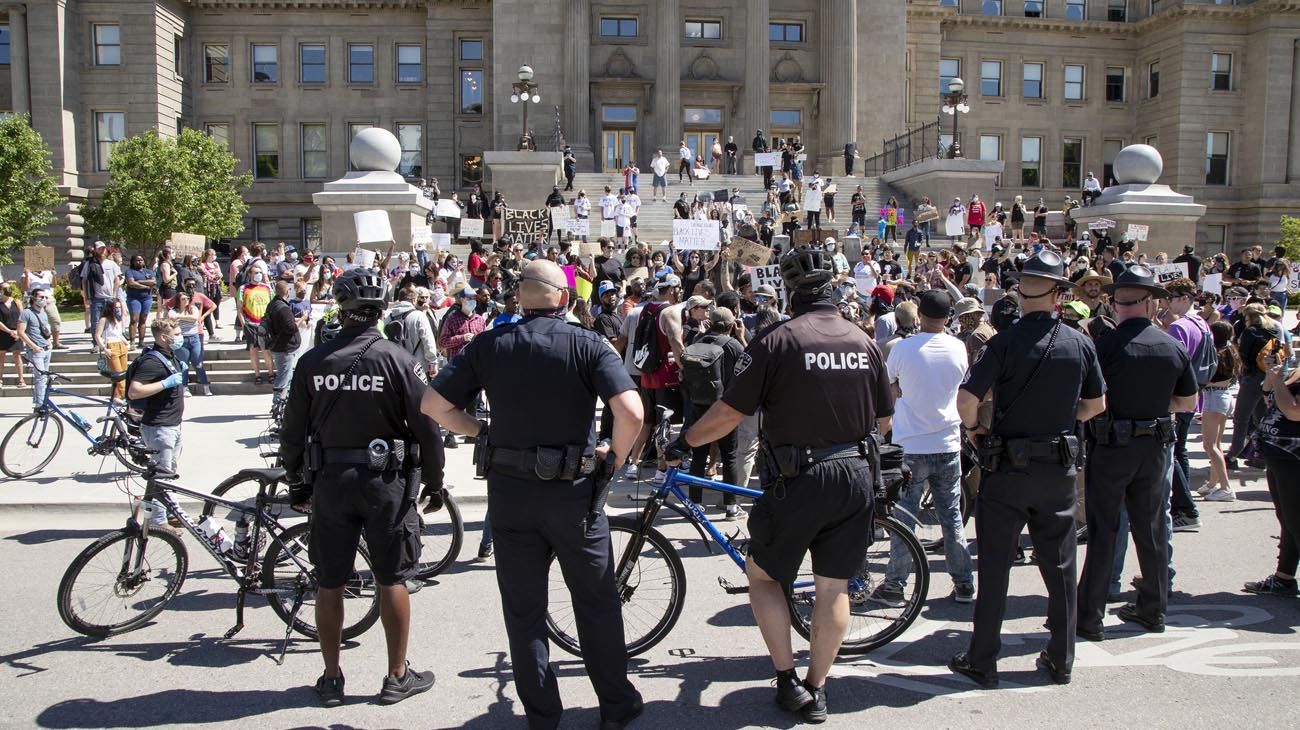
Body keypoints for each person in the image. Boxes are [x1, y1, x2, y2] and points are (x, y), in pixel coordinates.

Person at [666, 246, 893, 723]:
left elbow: (729, 414)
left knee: (765, 577)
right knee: (834, 588)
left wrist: (685, 442)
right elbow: (884, 418)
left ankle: (789, 681)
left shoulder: (777, 340)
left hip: (799, 474)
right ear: (833, 287)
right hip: (854, 472)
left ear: (791, 292)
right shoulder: (863, 339)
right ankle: (819, 687)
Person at [422, 259, 645, 729]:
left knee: (524, 612)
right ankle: (616, 707)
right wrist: (615, 457)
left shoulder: (490, 343)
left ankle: (543, 716)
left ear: (520, 297)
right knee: (596, 603)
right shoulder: (587, 343)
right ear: (563, 298)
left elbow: (433, 404)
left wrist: (478, 429)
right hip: (574, 493)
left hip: (512, 496)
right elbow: (632, 412)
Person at [279, 268, 444, 707]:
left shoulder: (313, 362)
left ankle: (332, 677)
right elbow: (427, 426)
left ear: (341, 309)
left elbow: (292, 431)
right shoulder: (397, 358)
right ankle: (396, 676)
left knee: (330, 583)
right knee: (392, 579)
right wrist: (435, 481)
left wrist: (296, 481)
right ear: (379, 311)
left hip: (331, 482)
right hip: (385, 484)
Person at [949, 251, 1107, 689]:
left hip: (1007, 466)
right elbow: (1095, 406)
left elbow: (965, 402)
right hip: (1057, 464)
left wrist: (977, 431)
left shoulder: (1002, 342)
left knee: (996, 566)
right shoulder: (1080, 342)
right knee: (1059, 566)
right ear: (1060, 294)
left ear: (1021, 292)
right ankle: (1061, 659)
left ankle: (983, 659)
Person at [1077, 266, 1198, 644]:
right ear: (1150, 304)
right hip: (1155, 446)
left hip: (1112, 446)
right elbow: (1187, 401)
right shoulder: (1171, 345)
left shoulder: (1105, 347)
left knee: (1104, 531)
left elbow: (1091, 402)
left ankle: (1091, 616)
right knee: (1152, 531)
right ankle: (1153, 608)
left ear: (1116, 303)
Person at [883, 290, 976, 604]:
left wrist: (903, 389)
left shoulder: (904, 348)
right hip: (948, 441)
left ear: (919, 314)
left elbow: (889, 385)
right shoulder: (958, 347)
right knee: (950, 517)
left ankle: (895, 585)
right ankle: (964, 583)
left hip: (910, 443)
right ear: (948, 317)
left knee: (903, 518)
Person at [679, 307, 747, 520]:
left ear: (710, 323)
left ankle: (695, 504)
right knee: (729, 456)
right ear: (730, 325)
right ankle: (731, 507)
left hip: (699, 406)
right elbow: (746, 372)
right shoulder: (734, 345)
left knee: (699, 455)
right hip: (725, 409)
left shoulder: (697, 341)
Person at [1243, 345, 1300, 596]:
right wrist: (1272, 373)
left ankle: (1285, 578)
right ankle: (1284, 577)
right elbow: (1268, 395)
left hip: (1294, 459)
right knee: (1288, 521)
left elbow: (1294, 411)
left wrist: (1277, 379)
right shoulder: (1297, 371)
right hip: (1279, 456)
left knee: (1296, 522)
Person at [263, 280, 302, 405]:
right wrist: (302, 319)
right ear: (287, 291)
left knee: (286, 373)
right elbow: (291, 328)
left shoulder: (272, 304)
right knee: (284, 375)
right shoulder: (283, 308)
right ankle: (278, 402)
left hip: (278, 345)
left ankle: (283, 400)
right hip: (285, 347)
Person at [18, 290, 54, 409]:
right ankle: (40, 405)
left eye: (45, 297)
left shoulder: (43, 312)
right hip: (35, 350)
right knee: (40, 377)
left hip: (46, 349)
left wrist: (49, 341)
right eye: (41, 297)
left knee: (44, 378)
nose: (43, 299)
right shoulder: (26, 313)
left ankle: (42, 400)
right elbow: (21, 332)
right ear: (34, 298)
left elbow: (44, 329)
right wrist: (33, 346)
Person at [240, 266, 275, 385]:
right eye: (256, 272)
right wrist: (243, 324)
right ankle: (257, 375)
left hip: (265, 323)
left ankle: (271, 373)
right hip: (250, 323)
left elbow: (273, 304)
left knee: (266, 350)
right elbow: (239, 308)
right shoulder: (243, 288)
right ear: (249, 274)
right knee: (253, 350)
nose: (258, 274)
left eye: (260, 272)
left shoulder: (267, 288)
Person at [124, 254, 156, 348]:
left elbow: (153, 282)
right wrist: (146, 286)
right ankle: (132, 341)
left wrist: (139, 281)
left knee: (143, 320)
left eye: (141, 260)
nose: (140, 261)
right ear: (133, 262)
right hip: (134, 298)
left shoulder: (148, 271)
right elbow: (131, 283)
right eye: (137, 260)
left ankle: (141, 341)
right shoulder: (130, 271)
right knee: (134, 319)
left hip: (147, 298)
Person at [0, 286, 25, 388]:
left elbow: (22, 317)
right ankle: (0, 379)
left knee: (17, 356)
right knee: (1, 357)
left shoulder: (17, 302)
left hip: (16, 333)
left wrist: (18, 331)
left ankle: (21, 379)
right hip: (3, 333)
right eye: (3, 288)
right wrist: (9, 331)